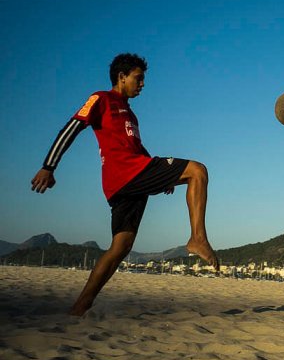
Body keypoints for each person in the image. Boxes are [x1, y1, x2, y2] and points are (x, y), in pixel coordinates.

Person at [31, 53, 219, 316]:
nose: (142, 85)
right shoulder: (101, 99)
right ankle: (197, 238)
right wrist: (49, 166)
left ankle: (80, 306)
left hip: (130, 177)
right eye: (138, 79)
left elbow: (137, 150)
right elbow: (71, 128)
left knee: (121, 247)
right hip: (125, 173)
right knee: (198, 171)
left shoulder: (130, 114)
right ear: (121, 77)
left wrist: (164, 178)